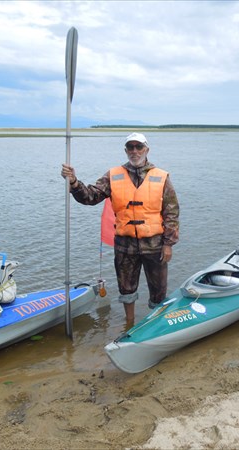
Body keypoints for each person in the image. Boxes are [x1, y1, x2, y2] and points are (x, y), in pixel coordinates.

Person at [61, 132, 179, 326]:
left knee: (158, 289)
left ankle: (156, 325)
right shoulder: (113, 175)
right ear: (125, 150)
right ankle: (129, 324)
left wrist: (169, 244)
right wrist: (73, 182)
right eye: (130, 147)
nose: (134, 151)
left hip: (155, 244)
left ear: (146, 149)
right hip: (125, 245)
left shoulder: (162, 176)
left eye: (138, 147)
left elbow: (172, 213)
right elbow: (90, 196)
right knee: (126, 288)